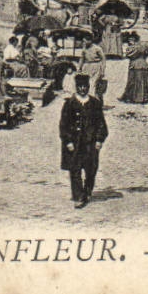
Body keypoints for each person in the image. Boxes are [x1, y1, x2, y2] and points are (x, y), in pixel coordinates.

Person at [60, 74, 108, 207]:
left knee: (90, 169)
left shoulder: (94, 103)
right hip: (75, 143)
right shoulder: (69, 104)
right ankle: (78, 196)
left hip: (90, 143)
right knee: (74, 169)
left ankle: (87, 191)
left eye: (85, 87)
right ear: (76, 88)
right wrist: (68, 141)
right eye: (80, 87)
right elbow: (64, 125)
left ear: (88, 87)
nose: (82, 89)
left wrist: (99, 140)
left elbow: (101, 124)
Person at [119, 39, 148, 104]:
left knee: (134, 82)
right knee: (146, 82)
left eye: (130, 40)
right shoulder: (143, 46)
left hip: (135, 66)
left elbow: (129, 55)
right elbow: (146, 54)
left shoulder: (133, 48)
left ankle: (136, 98)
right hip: (144, 64)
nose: (129, 42)